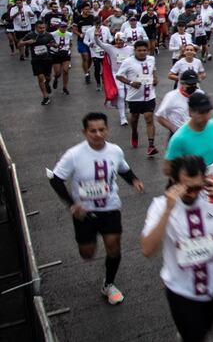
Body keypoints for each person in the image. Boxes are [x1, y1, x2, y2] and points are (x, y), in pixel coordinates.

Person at [141, 155, 213, 342]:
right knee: (197, 337)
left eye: (197, 187)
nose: (192, 194)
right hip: (181, 290)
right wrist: (168, 211)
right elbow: (147, 249)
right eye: (186, 188)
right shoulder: (160, 206)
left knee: (205, 330)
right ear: (174, 181)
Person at [49, 112, 145, 305]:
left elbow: (123, 169)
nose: (98, 134)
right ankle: (89, 244)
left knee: (113, 246)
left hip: (110, 208)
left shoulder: (115, 151)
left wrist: (134, 180)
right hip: (84, 212)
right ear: (84, 132)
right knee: (87, 253)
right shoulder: (74, 155)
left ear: (107, 130)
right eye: (92, 131)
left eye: (102, 130)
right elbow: (56, 179)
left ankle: (109, 284)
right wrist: (72, 204)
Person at [164, 92, 213, 180]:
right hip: (190, 186)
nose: (206, 117)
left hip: (212, 180)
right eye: (201, 112)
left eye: (207, 111)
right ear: (190, 112)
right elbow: (167, 169)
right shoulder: (179, 139)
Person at [116, 40, 158, 155]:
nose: (142, 52)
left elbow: (153, 70)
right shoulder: (128, 62)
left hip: (149, 95)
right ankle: (134, 132)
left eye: (144, 50)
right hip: (134, 97)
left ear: (147, 51)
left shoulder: (151, 59)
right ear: (135, 51)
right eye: (139, 50)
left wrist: (155, 79)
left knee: (149, 118)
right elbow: (119, 76)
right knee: (134, 119)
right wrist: (130, 82)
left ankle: (151, 145)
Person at [96, 32, 134, 126]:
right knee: (121, 95)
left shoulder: (130, 49)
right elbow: (99, 43)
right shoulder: (110, 48)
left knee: (129, 95)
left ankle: (127, 105)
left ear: (124, 40)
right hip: (116, 75)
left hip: (129, 75)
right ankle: (123, 118)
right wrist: (96, 36)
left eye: (120, 40)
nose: (118, 42)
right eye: (117, 40)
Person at [18, 20, 56, 105]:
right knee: (40, 77)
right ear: (35, 27)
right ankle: (45, 96)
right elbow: (19, 44)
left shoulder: (48, 35)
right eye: (40, 28)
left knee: (48, 77)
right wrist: (26, 42)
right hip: (36, 60)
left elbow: (54, 43)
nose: (42, 29)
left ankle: (47, 83)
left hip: (47, 59)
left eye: (43, 28)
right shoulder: (30, 35)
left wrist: (53, 45)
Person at [156, 70, 201, 136]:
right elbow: (160, 116)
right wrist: (174, 129)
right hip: (179, 135)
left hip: (196, 134)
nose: (192, 86)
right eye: (189, 84)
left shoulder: (200, 93)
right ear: (182, 83)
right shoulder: (171, 96)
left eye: (194, 83)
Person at [50, 21, 73, 95]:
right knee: (58, 72)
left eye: (65, 27)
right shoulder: (53, 34)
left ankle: (65, 87)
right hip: (56, 54)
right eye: (62, 27)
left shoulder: (69, 34)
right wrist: (54, 45)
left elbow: (70, 43)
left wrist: (69, 48)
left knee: (66, 71)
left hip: (65, 54)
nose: (63, 29)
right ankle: (56, 78)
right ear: (59, 27)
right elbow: (49, 43)